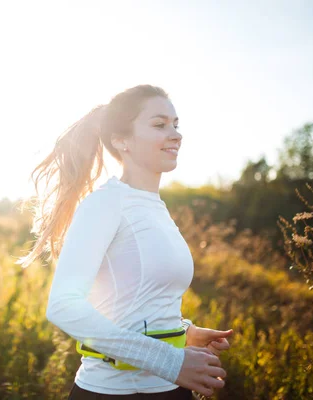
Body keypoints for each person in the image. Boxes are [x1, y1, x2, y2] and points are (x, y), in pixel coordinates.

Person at [20, 85, 233, 399]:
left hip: (170, 389)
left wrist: (184, 333)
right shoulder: (105, 204)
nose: (175, 134)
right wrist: (170, 361)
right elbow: (63, 306)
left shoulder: (155, 207)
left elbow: (136, 301)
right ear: (121, 140)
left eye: (176, 124)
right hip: (112, 392)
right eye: (159, 124)